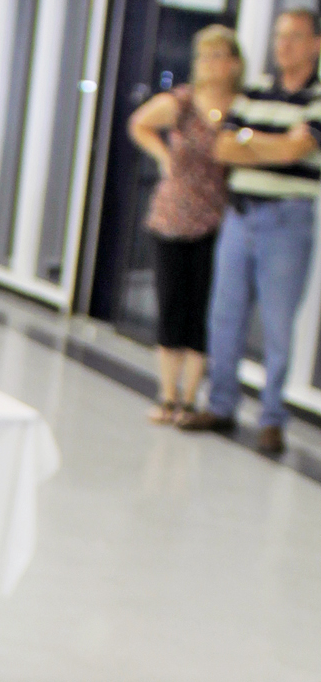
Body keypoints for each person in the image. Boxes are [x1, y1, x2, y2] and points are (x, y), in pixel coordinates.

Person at [183, 5, 321, 453]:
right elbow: (224, 148)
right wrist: (272, 144)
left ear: (316, 44)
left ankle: (272, 418)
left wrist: (255, 143)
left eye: (295, 37)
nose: (284, 45)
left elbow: (296, 152)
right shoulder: (255, 93)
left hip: (287, 220)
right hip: (239, 217)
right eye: (280, 35)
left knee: (278, 325)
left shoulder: (317, 99)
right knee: (224, 317)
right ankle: (221, 406)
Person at [126, 25, 242, 423]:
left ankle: (192, 397)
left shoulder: (241, 108)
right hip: (174, 215)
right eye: (204, 56)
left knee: (202, 309)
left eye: (218, 56)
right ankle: (167, 394)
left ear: (234, 63)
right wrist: (163, 156)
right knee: (171, 303)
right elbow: (139, 123)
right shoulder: (182, 101)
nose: (210, 64)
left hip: (217, 218)